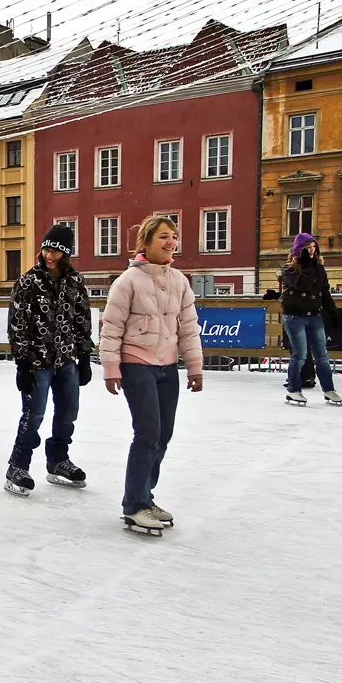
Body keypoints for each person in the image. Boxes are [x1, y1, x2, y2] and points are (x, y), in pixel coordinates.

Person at [100, 215, 203, 536]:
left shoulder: (179, 281)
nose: (171, 241)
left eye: (173, 236)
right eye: (163, 237)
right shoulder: (127, 281)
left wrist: (195, 366)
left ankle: (146, 495)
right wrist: (111, 369)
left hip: (167, 366)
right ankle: (134, 504)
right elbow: (111, 327)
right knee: (147, 432)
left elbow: (188, 328)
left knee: (164, 435)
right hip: (136, 363)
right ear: (145, 242)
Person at [4, 224, 93, 497]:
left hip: (66, 360)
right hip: (36, 363)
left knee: (68, 412)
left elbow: (82, 319)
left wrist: (85, 357)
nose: (49, 255)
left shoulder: (75, 281)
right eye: (46, 248)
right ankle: (17, 466)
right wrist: (21, 363)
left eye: (55, 250)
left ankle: (58, 460)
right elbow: (17, 324)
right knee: (34, 415)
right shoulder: (28, 282)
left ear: (66, 254)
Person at [273, 233, 341, 406]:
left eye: (313, 247)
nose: (311, 251)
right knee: (300, 354)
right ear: (299, 250)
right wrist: (307, 264)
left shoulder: (319, 268)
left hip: (314, 316)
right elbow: (304, 285)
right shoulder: (289, 270)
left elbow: (325, 293)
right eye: (307, 248)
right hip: (294, 317)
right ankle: (294, 390)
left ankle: (328, 389)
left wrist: (334, 314)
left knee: (322, 355)